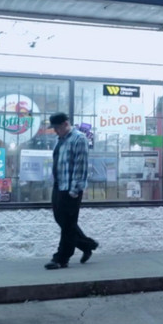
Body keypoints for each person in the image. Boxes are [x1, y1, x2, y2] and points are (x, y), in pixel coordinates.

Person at [44, 112, 99, 269]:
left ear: (65, 124)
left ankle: (61, 258)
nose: (55, 131)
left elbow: (81, 165)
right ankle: (87, 245)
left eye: (56, 128)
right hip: (59, 185)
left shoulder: (79, 139)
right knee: (61, 220)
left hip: (70, 188)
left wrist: (75, 189)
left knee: (68, 224)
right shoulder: (60, 139)